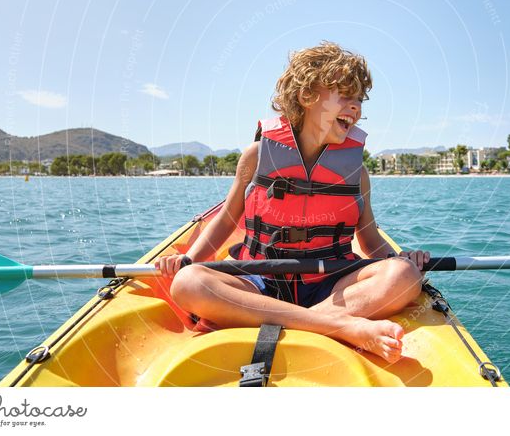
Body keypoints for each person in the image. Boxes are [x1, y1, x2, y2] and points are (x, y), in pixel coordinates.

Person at [156, 42, 429, 363]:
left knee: (404, 276)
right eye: (344, 95)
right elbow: (227, 220)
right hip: (260, 280)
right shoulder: (256, 157)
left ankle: (302, 321)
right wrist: (187, 260)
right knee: (188, 284)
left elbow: (369, 239)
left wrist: (402, 259)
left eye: (359, 100)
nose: (355, 108)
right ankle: (339, 326)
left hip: (332, 283)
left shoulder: (357, 171)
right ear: (306, 96)